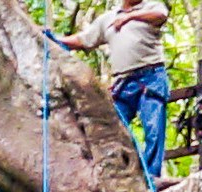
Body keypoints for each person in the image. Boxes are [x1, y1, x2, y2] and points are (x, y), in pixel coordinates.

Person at [67, 0, 174, 178]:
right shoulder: (108, 18)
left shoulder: (151, 7)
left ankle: (152, 177)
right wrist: (51, 39)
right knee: (112, 127)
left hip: (151, 77)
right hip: (123, 82)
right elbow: (84, 40)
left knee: (153, 128)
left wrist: (130, 17)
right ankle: (121, 173)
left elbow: (161, 16)